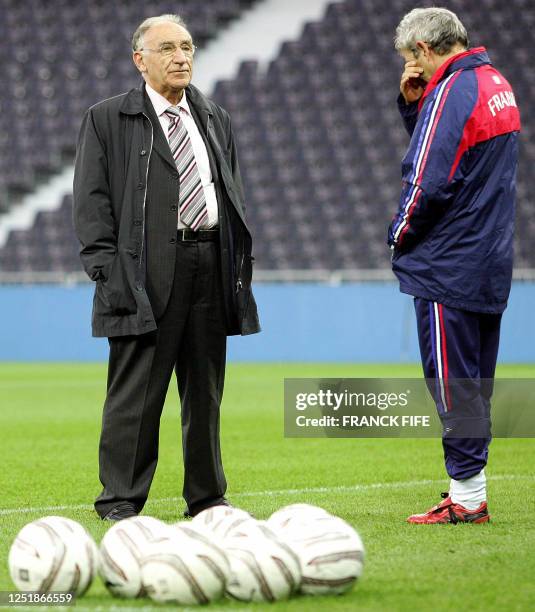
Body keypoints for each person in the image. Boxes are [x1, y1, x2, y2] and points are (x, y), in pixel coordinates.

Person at [73, 14, 260, 521]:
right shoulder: (107, 118)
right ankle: (120, 500)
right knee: (136, 394)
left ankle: (207, 498)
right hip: (144, 273)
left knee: (205, 392)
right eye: (168, 49)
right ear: (141, 60)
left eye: (187, 47)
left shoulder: (214, 116)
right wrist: (110, 276)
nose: (181, 57)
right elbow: (92, 208)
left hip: (209, 262)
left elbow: (232, 192)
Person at [388, 8, 520, 523]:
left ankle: (467, 500)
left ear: (423, 50)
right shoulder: (494, 82)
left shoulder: (452, 91)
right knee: (473, 382)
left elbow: (428, 176)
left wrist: (398, 237)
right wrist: (411, 106)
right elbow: (461, 157)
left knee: (451, 383)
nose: (409, 68)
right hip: (490, 257)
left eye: (408, 59)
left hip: (449, 262)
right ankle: (469, 492)